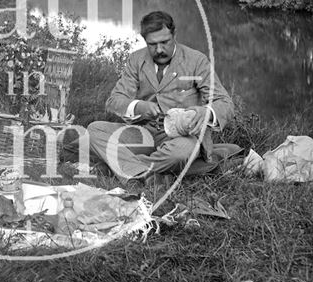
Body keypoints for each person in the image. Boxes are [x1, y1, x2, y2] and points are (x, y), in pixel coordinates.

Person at [87, 10, 234, 186]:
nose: (159, 50)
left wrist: (206, 112)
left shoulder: (196, 61)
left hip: (181, 137)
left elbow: (225, 103)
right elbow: (114, 101)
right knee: (95, 130)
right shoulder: (136, 60)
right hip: (144, 133)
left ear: (174, 35)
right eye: (152, 44)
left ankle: (123, 166)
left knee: (182, 152)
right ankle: (147, 172)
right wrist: (138, 106)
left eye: (164, 42)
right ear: (145, 41)